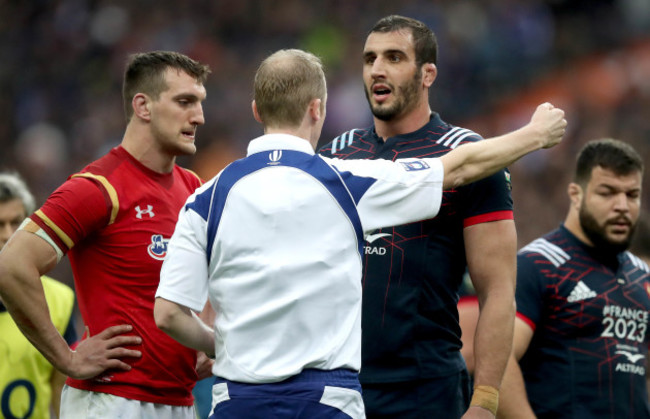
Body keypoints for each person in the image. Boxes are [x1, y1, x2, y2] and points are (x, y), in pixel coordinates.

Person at [152, 47, 566, 419]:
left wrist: (217, 345)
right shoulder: (346, 182)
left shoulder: (205, 198)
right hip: (325, 401)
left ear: (257, 111)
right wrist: (535, 135)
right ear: (317, 110)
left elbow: (168, 313)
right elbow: (458, 167)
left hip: (236, 400)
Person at [318, 15, 517, 418]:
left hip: (426, 389)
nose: (377, 69)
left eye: (394, 57)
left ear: (428, 74)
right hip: (335, 382)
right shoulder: (335, 155)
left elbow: (497, 289)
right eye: (369, 58)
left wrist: (486, 400)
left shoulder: (470, 158)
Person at [0, 50, 212, 419]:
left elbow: (211, 278)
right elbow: (12, 267)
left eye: (199, 103)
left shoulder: (192, 187)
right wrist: (66, 357)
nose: (199, 116)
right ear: (143, 107)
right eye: (184, 102)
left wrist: (204, 337)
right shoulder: (99, 188)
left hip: (180, 401)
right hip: (113, 402)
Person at [498, 139, 650, 418]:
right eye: (608, 193)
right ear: (575, 194)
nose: (622, 206)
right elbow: (499, 361)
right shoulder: (538, 265)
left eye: (632, 194)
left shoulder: (642, 276)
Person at [0, 172, 77, 419]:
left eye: (16, 223)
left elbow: (62, 393)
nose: (7, 234)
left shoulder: (60, 300)